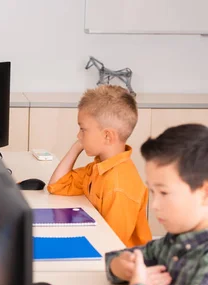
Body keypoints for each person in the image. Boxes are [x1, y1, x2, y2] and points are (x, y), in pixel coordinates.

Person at [106, 124, 208, 285]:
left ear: (205, 193)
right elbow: (121, 257)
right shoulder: (175, 240)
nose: (154, 205)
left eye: (163, 192)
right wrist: (120, 267)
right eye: (152, 192)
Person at [47, 85, 151, 247]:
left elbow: (111, 245)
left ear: (107, 136)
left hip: (122, 264)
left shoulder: (119, 187)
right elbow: (57, 186)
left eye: (83, 129)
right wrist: (76, 147)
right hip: (97, 246)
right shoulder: (99, 167)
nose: (78, 135)